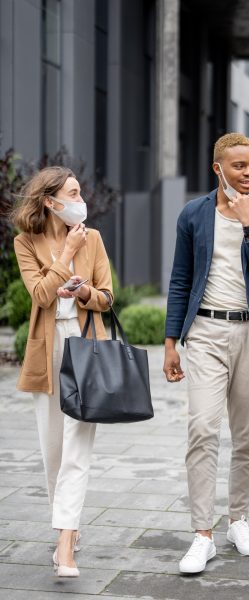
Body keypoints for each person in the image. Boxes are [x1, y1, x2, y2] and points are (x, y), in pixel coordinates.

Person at [163, 132, 249, 574]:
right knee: (202, 428)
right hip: (206, 333)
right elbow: (180, 278)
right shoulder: (193, 214)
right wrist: (171, 341)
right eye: (239, 166)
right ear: (219, 168)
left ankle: (239, 519)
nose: (248, 172)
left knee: (247, 434)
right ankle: (202, 534)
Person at [12, 166, 113, 577]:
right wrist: (67, 255)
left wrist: (84, 290)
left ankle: (65, 542)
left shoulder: (95, 238)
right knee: (54, 449)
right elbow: (38, 294)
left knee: (78, 448)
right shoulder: (25, 242)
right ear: (50, 201)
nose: (79, 199)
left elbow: (107, 297)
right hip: (47, 348)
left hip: (86, 342)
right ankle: (66, 527)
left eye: (79, 191)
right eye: (71, 193)